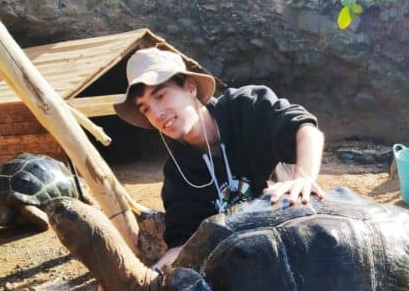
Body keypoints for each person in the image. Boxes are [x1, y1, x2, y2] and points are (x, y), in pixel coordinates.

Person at [113, 46, 326, 268]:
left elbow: (305, 128)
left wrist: (303, 177)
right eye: (145, 108)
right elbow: (185, 245)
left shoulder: (246, 106)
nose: (156, 114)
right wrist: (145, 283)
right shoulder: (177, 175)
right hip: (248, 271)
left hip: (297, 240)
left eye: (160, 95)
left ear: (191, 87)